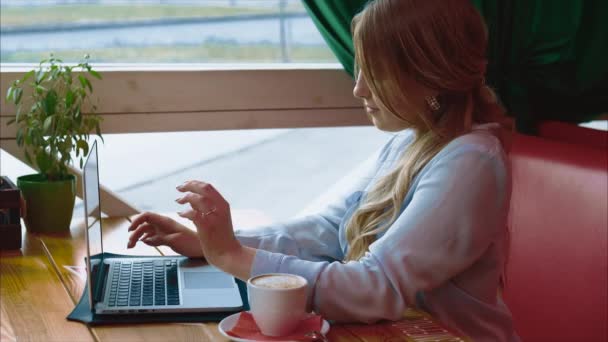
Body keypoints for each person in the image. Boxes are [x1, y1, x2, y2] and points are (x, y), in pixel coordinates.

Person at [127, 0, 519, 340]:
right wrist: (214, 243)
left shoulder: (472, 161)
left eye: (375, 72)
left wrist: (233, 257)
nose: (359, 89)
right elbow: (329, 229)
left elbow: (377, 287)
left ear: (428, 75)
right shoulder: (413, 140)